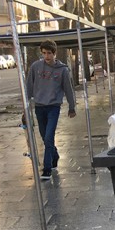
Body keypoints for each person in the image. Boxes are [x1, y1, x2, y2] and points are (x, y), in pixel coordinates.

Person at [26, 39, 76, 181]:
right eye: (44, 53)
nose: (46, 56)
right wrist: (26, 107)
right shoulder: (35, 67)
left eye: (49, 53)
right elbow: (29, 86)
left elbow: (68, 89)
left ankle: (46, 169)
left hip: (53, 107)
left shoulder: (62, 70)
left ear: (54, 53)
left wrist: (72, 107)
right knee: (44, 136)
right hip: (39, 106)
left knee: (49, 137)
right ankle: (55, 155)